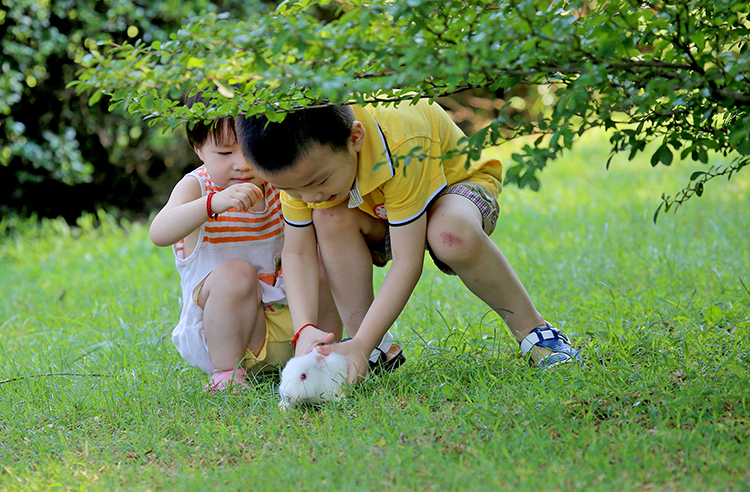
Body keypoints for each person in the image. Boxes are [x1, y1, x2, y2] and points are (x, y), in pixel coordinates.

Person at [235, 98, 581, 383]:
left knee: (449, 235)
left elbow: (407, 260)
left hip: (455, 187)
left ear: (355, 138)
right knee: (328, 215)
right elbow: (296, 252)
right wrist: (304, 329)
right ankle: (370, 350)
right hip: (379, 210)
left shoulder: (401, 137)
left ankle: (535, 332)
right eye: (289, 190)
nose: (308, 195)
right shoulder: (302, 172)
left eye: (318, 181)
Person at [149, 92, 345, 392]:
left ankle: (327, 353)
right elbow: (159, 232)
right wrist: (211, 204)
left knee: (320, 259)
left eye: (250, 150)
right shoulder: (197, 186)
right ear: (198, 148)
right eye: (225, 154)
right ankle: (227, 374)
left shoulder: (279, 183)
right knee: (236, 274)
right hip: (232, 334)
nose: (242, 164)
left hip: (292, 322)